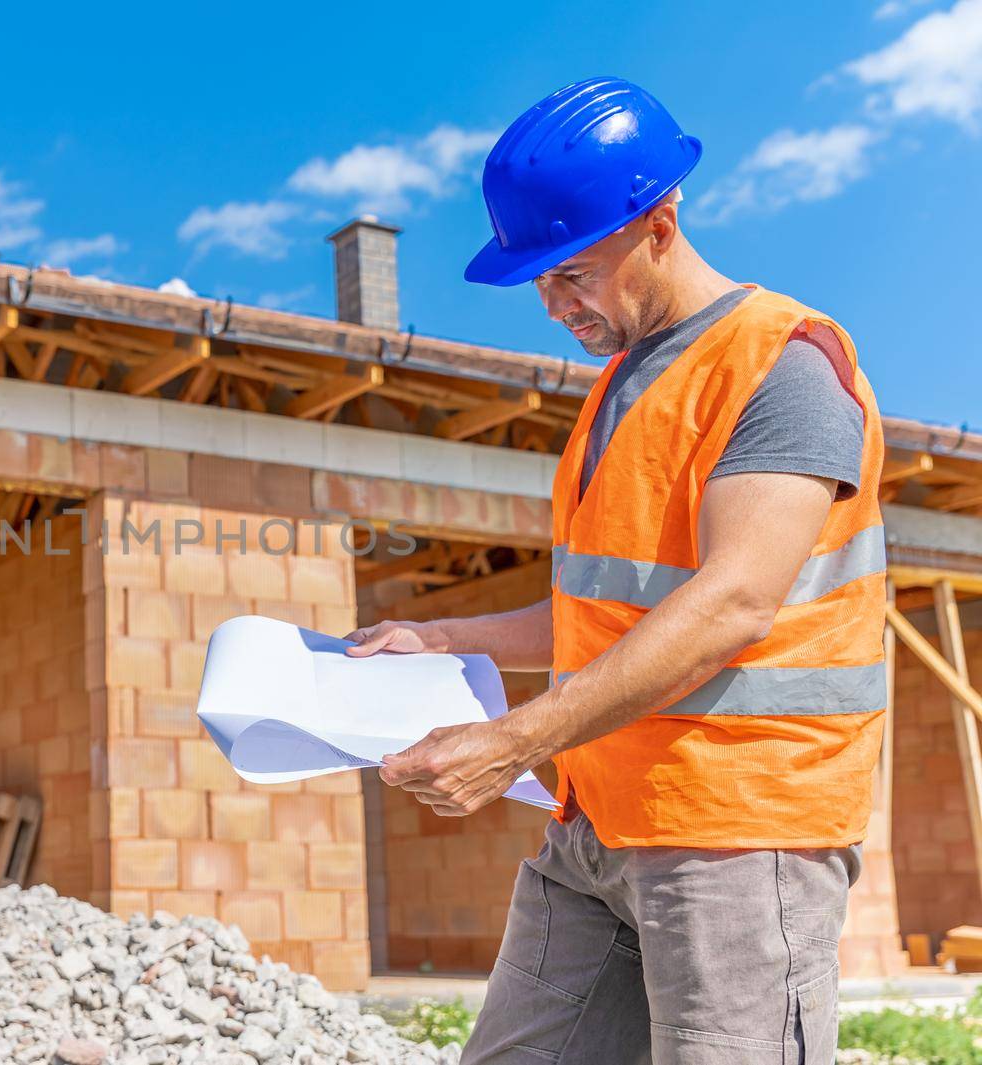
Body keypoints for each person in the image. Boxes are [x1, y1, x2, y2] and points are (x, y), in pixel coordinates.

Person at [346, 77, 885, 1063]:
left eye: (573, 274)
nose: (555, 306)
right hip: (597, 822)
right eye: (538, 282)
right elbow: (604, 609)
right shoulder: (623, 386)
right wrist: (443, 637)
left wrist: (513, 737)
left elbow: (730, 605)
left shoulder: (779, 367)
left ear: (660, 222)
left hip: (735, 828)